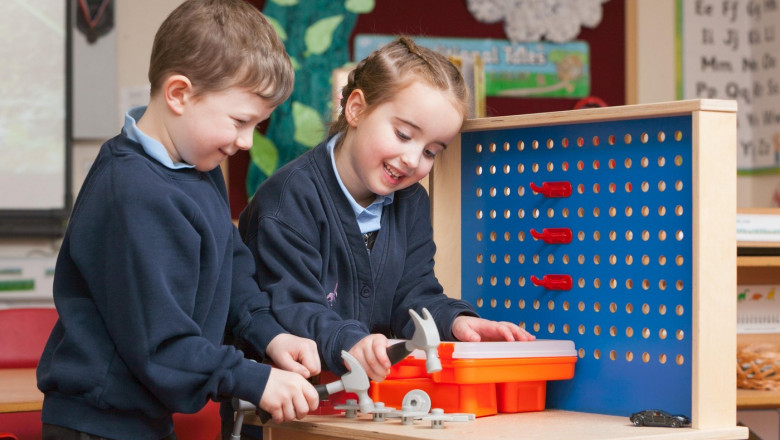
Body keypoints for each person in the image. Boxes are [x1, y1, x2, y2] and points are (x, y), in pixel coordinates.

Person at [36, 1, 320, 439]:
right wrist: (250, 378)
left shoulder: (197, 168)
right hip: (98, 425)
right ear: (179, 94)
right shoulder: (133, 193)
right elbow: (161, 344)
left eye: (257, 126)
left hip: (142, 419)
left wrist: (269, 335)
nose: (245, 142)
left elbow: (232, 270)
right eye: (240, 121)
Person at [238, 36, 536, 388]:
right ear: (356, 109)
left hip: (364, 405)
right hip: (284, 411)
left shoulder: (411, 203)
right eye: (403, 134)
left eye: (431, 151)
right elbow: (292, 307)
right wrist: (352, 342)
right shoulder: (290, 199)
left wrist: (454, 322)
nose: (412, 160)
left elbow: (415, 297)